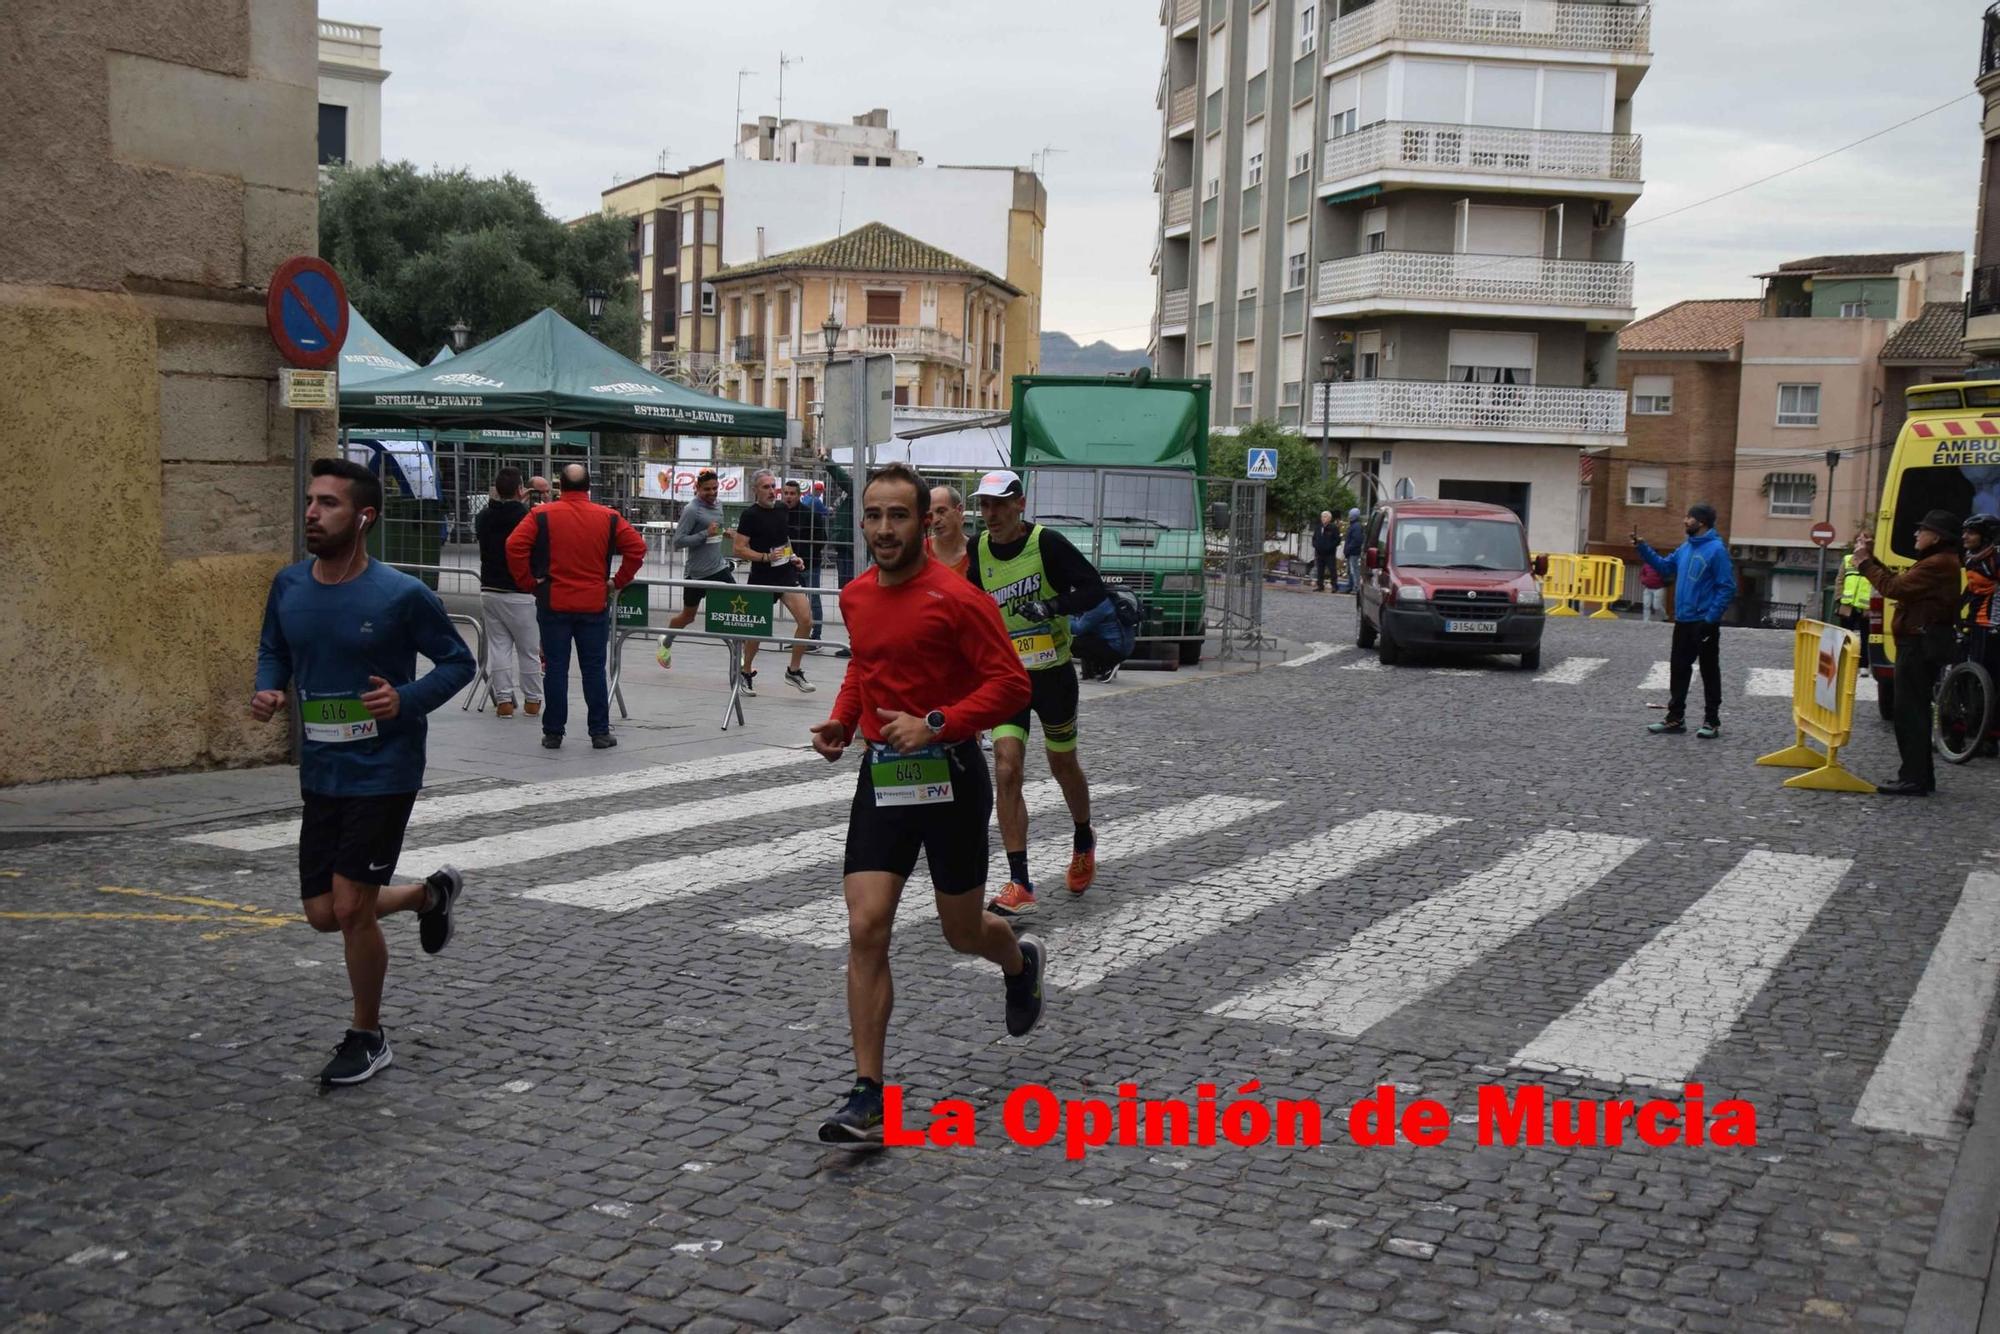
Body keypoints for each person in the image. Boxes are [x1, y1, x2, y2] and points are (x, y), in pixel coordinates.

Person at [807, 463, 1040, 1146]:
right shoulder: (855, 596)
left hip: (950, 776)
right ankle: (869, 1095)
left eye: (898, 516)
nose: (884, 529)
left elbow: (1011, 686)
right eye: (874, 516)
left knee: (962, 933)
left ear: (926, 521)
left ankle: (1019, 963)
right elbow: (866, 665)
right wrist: (843, 722)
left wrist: (937, 722)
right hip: (884, 777)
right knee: (867, 925)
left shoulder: (959, 599)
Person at [251, 458, 476, 1086]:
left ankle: (367, 1034)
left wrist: (404, 699)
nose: (312, 514)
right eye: (311, 502)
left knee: (351, 907)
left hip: (384, 769)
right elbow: (274, 650)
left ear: (364, 516)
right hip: (323, 769)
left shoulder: (401, 594)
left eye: (328, 504)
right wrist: (268, 690)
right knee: (324, 913)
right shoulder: (289, 586)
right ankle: (430, 895)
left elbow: (459, 662)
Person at [968, 469, 1108, 918]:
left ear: (1020, 505)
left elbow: (1092, 588)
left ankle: (1083, 836)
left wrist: (1052, 605)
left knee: (1062, 764)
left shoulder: (1046, 543)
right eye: (984, 506)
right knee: (1006, 768)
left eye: (999, 505)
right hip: (1008, 679)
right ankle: (1020, 880)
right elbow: (970, 605)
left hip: (1052, 675)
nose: (991, 514)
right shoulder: (979, 549)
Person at [505, 463, 647, 750]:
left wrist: (529, 582)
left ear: (560, 487)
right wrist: (617, 581)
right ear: (588, 489)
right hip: (594, 603)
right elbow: (637, 548)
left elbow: (513, 546)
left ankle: (554, 732)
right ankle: (599, 732)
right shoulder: (608, 517)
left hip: (554, 601)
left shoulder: (541, 515)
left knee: (556, 667)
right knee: (593, 668)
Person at [1854, 510, 1963, 795]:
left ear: (1936, 537)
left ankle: (1914, 779)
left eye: (1922, 530)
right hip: (1917, 641)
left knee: (1910, 712)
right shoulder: (1937, 561)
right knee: (1911, 710)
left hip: (1918, 644)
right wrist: (1871, 558)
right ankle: (1918, 776)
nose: (1916, 534)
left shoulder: (1938, 563)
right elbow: (1899, 584)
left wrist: (1865, 564)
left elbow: (1894, 587)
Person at [1632, 502, 1736, 739]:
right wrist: (1643, 548)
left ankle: (1712, 721)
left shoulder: (1716, 550)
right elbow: (1665, 566)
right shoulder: (1686, 547)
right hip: (1683, 620)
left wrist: (1711, 618)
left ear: (1702, 522)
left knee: (1709, 671)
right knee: (1679, 669)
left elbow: (1727, 587)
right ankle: (1675, 718)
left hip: (1704, 621)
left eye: (1689, 517)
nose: (1684, 520)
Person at [733, 469, 817, 695]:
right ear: (755, 490)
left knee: (807, 621)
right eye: (766, 487)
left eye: (773, 486)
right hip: (762, 578)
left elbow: (783, 539)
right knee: (757, 631)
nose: (772, 491)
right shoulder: (750, 515)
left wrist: (794, 557)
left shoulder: (781, 508)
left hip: (786, 575)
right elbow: (739, 548)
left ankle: (794, 670)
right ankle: (746, 671)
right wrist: (764, 558)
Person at [474, 467, 542, 718]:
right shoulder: (527, 517)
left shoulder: (482, 517)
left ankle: (503, 700)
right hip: (520, 591)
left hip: (489, 588)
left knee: (499, 647)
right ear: (520, 490)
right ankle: (533, 700)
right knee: (528, 649)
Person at [656, 469, 734, 669]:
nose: (712, 492)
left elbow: (716, 529)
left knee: (736, 611)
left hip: (719, 568)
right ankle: (666, 640)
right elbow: (678, 541)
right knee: (688, 617)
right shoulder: (692, 509)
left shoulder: (719, 505)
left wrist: (725, 533)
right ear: (697, 488)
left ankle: (739, 658)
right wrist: (704, 534)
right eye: (707, 489)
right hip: (696, 574)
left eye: (715, 488)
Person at [783, 479, 828, 651]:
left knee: (813, 599)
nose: (788, 497)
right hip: (789, 565)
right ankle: (802, 636)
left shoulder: (810, 514)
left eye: (792, 493)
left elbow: (821, 539)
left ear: (799, 495)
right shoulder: (781, 513)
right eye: (786, 493)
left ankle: (815, 638)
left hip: (810, 565)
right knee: (797, 602)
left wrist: (806, 557)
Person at [925, 483, 971, 577]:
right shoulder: (920, 552)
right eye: (930, 515)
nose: (935, 520)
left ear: (959, 510)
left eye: (941, 511)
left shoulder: (976, 553)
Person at [1837, 550, 1872, 639]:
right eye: (1858, 541)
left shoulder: (1873, 561)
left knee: (1866, 638)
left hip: (1866, 607)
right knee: (1845, 637)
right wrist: (1839, 598)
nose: (1859, 545)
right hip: (1848, 605)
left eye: (1863, 542)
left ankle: (1864, 653)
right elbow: (1839, 580)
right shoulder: (1848, 559)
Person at [1311, 510, 1339, 592]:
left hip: (1329, 553)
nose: (1323, 518)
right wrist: (1315, 545)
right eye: (1322, 517)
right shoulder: (1318, 527)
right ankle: (1320, 585)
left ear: (1329, 518)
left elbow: (1336, 540)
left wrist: (1329, 547)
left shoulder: (1333, 528)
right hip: (1319, 552)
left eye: (1325, 516)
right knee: (1320, 569)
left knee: (1332, 569)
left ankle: (1334, 586)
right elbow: (1314, 538)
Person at [1342, 506, 1365, 593]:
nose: (1348, 516)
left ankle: (1356, 587)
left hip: (1353, 553)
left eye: (1350, 515)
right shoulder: (1355, 526)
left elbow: (1357, 540)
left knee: (1354, 570)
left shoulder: (1356, 527)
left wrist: (1348, 548)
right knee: (1351, 570)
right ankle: (1350, 586)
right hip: (1352, 552)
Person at [1638, 558, 1667, 623]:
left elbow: (1665, 574)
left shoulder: (1660, 564)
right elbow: (1641, 574)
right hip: (1648, 588)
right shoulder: (1646, 565)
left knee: (1657, 606)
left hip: (1658, 588)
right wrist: (1644, 580)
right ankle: (1646, 620)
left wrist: (1660, 580)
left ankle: (1664, 617)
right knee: (1646, 605)